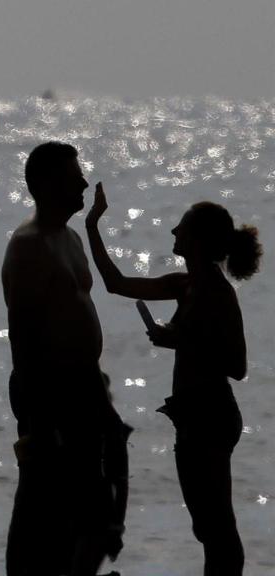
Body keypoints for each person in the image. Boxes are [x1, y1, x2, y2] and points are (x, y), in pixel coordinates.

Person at [85, 184, 263, 576]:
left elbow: (237, 365)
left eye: (180, 227)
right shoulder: (184, 286)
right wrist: (92, 226)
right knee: (207, 526)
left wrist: (180, 340)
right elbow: (116, 283)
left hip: (211, 416)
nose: (172, 233)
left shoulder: (218, 293)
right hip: (191, 416)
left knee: (217, 526)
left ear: (198, 240)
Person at [3, 142, 123, 576]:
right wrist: (38, 425)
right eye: (75, 177)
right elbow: (23, 337)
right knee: (41, 511)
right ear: (49, 184)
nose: (84, 183)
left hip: (85, 389)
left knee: (95, 516)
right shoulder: (28, 246)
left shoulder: (70, 239)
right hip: (51, 395)